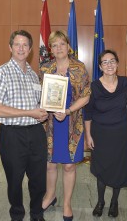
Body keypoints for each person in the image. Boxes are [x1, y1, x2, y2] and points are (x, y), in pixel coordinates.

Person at [0, 30, 48, 221]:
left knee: (38, 179)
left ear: (30, 49)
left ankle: (37, 213)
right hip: (12, 135)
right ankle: (17, 215)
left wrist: (45, 111)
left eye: (25, 45)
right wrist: (30, 113)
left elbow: (38, 105)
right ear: (10, 47)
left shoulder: (33, 75)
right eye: (17, 44)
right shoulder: (1, 73)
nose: (21, 48)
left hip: (36, 133)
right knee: (15, 179)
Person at [40, 30, 91, 221]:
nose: (59, 48)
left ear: (68, 46)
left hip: (72, 123)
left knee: (69, 166)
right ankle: (50, 195)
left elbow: (86, 95)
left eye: (62, 44)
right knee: (50, 164)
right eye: (54, 45)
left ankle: (67, 202)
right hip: (50, 124)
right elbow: (40, 96)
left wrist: (68, 111)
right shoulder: (45, 69)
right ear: (51, 49)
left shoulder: (79, 68)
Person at [84, 49, 127, 218]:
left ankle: (114, 202)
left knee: (119, 168)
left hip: (121, 134)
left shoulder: (126, 82)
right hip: (100, 134)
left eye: (112, 61)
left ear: (117, 64)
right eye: (105, 62)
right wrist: (88, 136)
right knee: (102, 168)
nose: (109, 65)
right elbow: (87, 113)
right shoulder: (94, 86)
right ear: (100, 66)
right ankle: (101, 201)